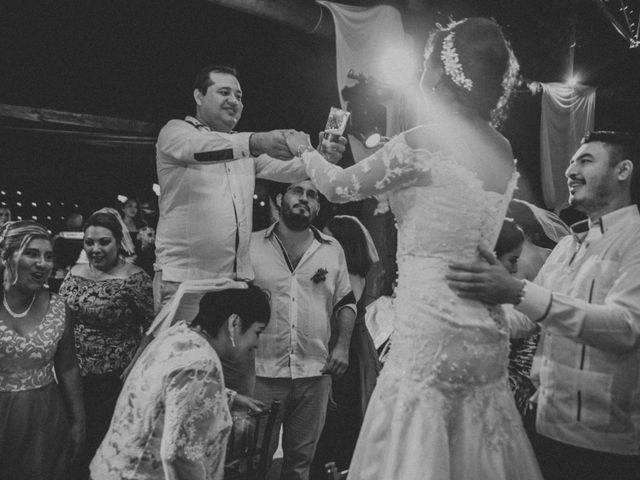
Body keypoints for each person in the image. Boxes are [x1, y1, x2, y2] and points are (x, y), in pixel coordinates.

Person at [285, 17, 542, 480]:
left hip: (430, 335)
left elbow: (339, 188)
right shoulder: (502, 149)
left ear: (440, 72)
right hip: (481, 331)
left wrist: (308, 153)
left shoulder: (424, 139)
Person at [446, 130, 640, 480]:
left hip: (606, 444)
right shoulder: (567, 246)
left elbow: (625, 328)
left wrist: (517, 291)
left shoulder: (635, 239)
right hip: (545, 423)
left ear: (623, 170)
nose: (570, 170)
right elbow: (525, 319)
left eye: (585, 160)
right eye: (570, 161)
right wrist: (463, 316)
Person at [153, 64, 345, 312]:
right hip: (187, 280)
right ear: (199, 96)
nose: (233, 100)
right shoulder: (176, 132)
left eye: (239, 96)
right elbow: (198, 148)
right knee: (181, 351)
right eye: (224, 92)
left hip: (234, 284)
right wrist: (256, 141)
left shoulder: (244, 150)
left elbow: (294, 171)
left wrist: (320, 157)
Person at [90, 284, 271, 480]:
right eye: (257, 332)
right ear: (234, 323)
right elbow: (180, 455)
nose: (257, 344)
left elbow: (172, 389)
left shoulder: (177, 333)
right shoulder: (202, 364)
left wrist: (230, 398)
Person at [251, 180, 356, 480]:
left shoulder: (331, 248)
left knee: (300, 464)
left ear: (318, 206)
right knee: (253, 459)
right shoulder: (251, 244)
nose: (305, 199)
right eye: (298, 191)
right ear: (280, 198)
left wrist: (342, 346)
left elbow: (346, 301)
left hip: (314, 372)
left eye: (312, 195)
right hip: (262, 371)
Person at [59, 208, 154, 479]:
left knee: (103, 450)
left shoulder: (134, 278)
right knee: (71, 447)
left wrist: (134, 366)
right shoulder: (74, 272)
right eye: (89, 242)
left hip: (112, 380)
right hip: (72, 376)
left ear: (118, 242)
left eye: (104, 242)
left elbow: (153, 327)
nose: (95, 249)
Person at [0, 220, 85, 479]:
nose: (43, 263)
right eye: (32, 253)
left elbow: (68, 367)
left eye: (48, 256)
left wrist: (79, 421)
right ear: (6, 256)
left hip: (44, 418)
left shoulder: (59, 307)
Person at [312, 215, 381, 476]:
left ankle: (331, 470)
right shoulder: (355, 273)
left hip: (343, 352)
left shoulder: (348, 278)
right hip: (355, 351)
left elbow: (340, 324)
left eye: (330, 239)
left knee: (336, 418)